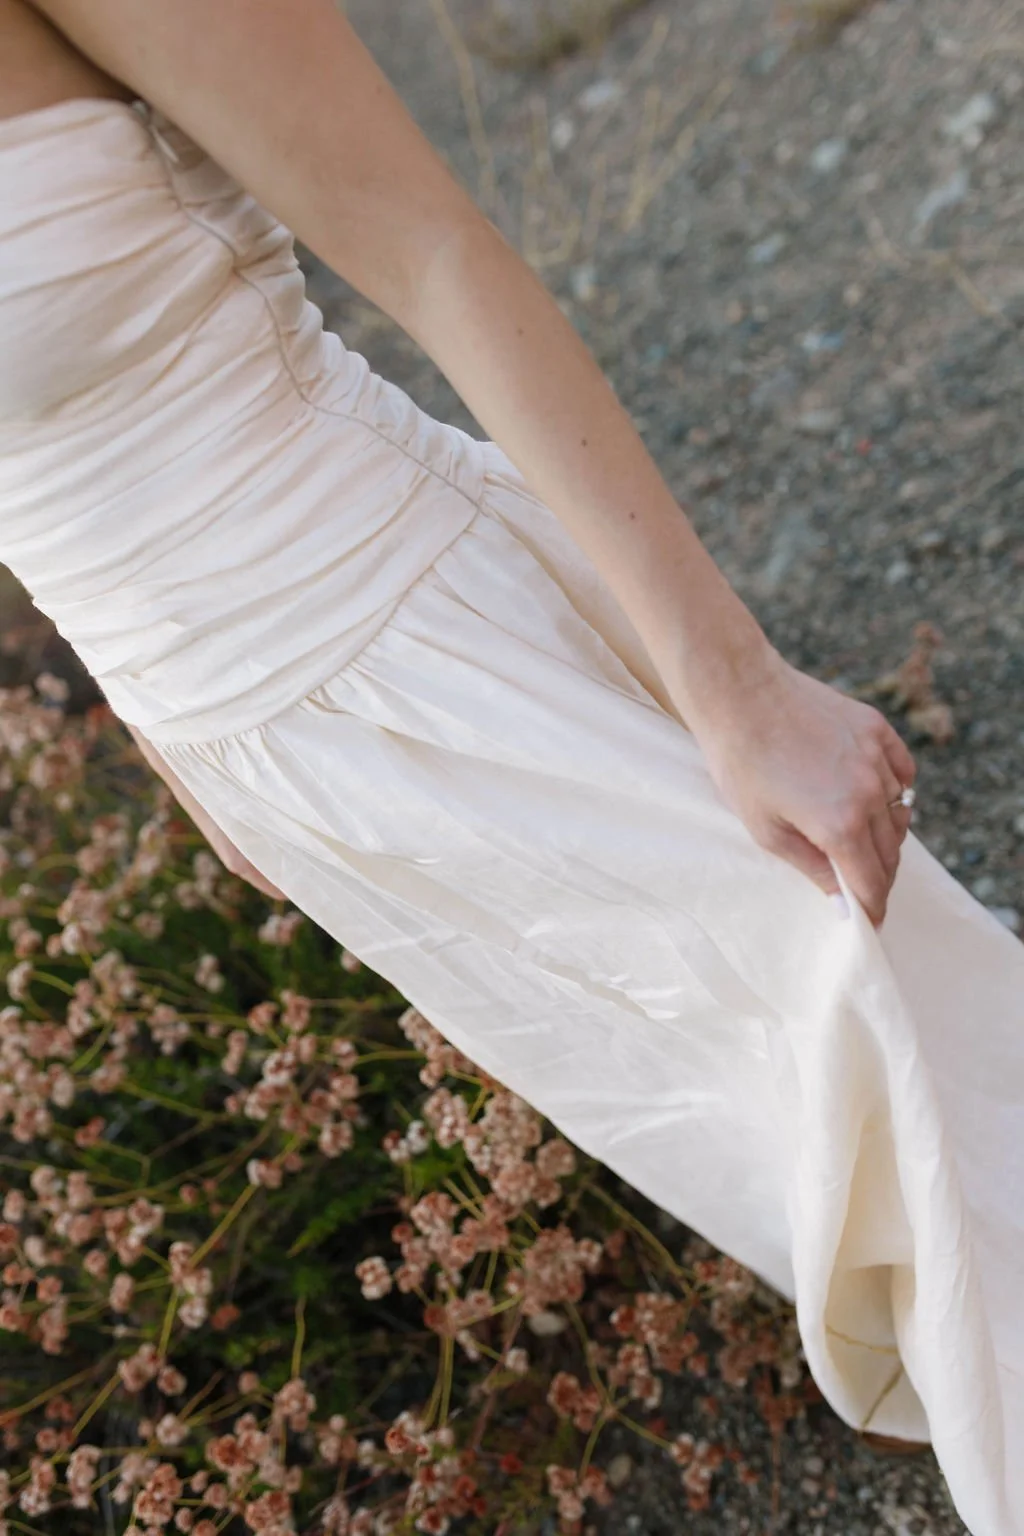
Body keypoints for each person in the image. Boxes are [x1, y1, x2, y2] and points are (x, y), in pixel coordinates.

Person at [0, 3, 1020, 1529]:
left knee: (902, 1074)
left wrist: (738, 691)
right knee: (814, 1179)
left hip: (442, 644)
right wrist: (178, 755)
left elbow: (429, 249)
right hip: (305, 786)